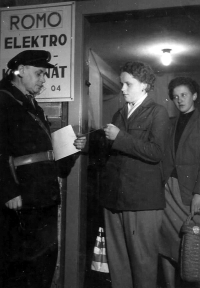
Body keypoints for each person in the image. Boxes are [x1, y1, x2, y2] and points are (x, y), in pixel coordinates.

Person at [0, 49, 86, 288]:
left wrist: (72, 148)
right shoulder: (4, 100)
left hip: (42, 196)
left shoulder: (30, 103)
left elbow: (44, 152)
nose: (43, 80)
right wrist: (9, 191)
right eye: (38, 74)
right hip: (22, 199)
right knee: (19, 266)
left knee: (43, 262)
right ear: (20, 71)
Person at [101, 61, 170, 288]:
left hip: (141, 202)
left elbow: (156, 152)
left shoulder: (158, 112)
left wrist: (120, 137)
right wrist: (90, 144)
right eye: (122, 84)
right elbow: (113, 151)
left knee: (143, 265)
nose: (122, 89)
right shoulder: (119, 113)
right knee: (118, 265)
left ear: (145, 85)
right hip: (115, 200)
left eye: (127, 84)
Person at [159, 76, 200, 288]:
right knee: (165, 242)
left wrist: (199, 193)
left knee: (192, 244)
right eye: (175, 97)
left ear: (194, 95)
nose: (180, 100)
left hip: (189, 192)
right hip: (167, 190)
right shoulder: (170, 123)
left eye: (184, 95)